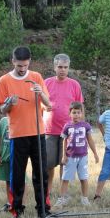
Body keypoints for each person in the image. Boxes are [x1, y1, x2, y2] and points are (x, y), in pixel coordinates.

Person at [0, 46, 52, 218]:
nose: (22, 69)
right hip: (17, 134)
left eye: (25, 65)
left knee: (41, 173)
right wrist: (9, 103)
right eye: (19, 66)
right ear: (13, 61)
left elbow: (48, 103)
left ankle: (43, 210)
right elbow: (2, 109)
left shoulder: (36, 77)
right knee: (17, 175)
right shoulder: (4, 80)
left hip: (37, 132)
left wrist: (40, 93)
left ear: (29, 62)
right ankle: (17, 211)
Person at [44, 54, 84, 197]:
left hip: (69, 131)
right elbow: (38, 103)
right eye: (60, 67)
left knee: (65, 163)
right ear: (54, 67)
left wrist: (80, 127)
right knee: (48, 163)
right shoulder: (46, 83)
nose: (62, 70)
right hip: (49, 129)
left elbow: (80, 106)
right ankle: (47, 191)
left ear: (69, 68)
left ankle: (63, 193)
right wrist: (43, 107)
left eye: (65, 67)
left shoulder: (75, 85)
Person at [55, 102, 99, 207]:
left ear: (82, 113)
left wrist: (95, 153)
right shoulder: (67, 126)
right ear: (70, 114)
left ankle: (84, 198)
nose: (76, 115)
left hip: (83, 156)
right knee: (65, 178)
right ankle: (62, 198)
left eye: (79, 113)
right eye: (74, 113)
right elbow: (64, 141)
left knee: (84, 178)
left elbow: (90, 140)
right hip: (70, 156)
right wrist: (64, 155)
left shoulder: (86, 126)